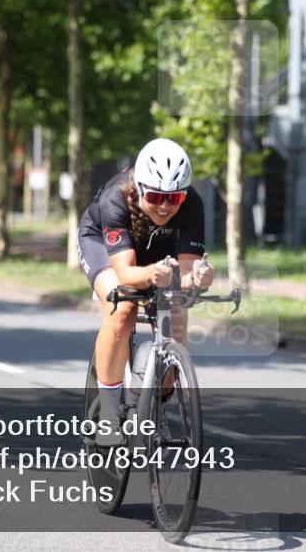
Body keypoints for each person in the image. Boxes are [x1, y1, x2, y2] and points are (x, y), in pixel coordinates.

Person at [77, 138, 214, 446]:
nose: (164, 205)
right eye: (154, 196)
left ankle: (155, 408)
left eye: (174, 197)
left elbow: (188, 273)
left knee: (176, 317)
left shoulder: (192, 204)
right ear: (140, 188)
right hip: (103, 243)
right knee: (122, 308)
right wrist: (152, 274)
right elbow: (126, 273)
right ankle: (110, 416)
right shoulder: (116, 198)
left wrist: (201, 278)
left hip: (156, 247)